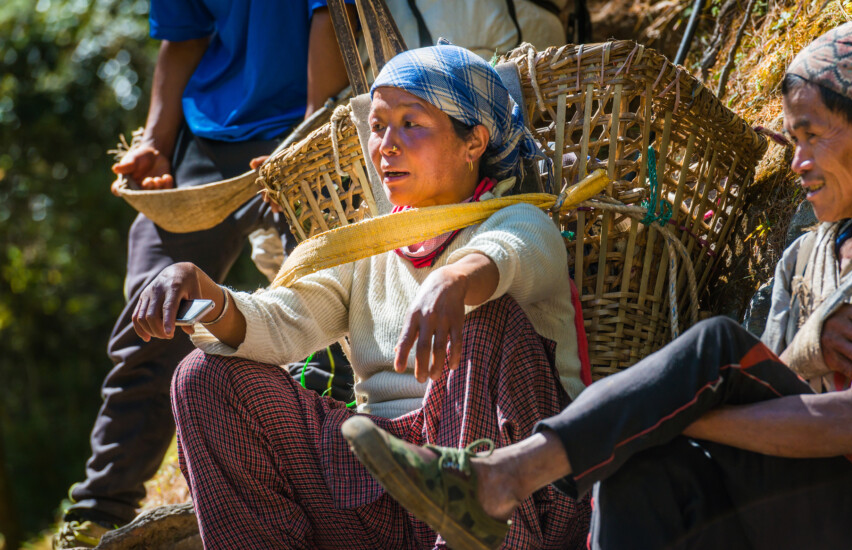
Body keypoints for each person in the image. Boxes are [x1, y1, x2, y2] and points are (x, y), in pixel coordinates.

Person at [342, 16, 852, 550]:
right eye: (790, 138)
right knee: (637, 471)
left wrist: (670, 414)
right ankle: (520, 473)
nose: (795, 162)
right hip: (812, 506)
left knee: (711, 347)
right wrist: (802, 349)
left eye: (811, 137)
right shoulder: (811, 254)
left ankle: (502, 477)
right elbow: (764, 375)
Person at [132, 44, 591, 548]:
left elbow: (506, 253)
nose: (386, 145)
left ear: (473, 141)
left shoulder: (521, 219)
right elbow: (284, 321)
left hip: (515, 493)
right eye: (377, 126)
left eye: (411, 123)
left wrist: (452, 281)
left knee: (487, 317)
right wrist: (209, 295)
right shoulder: (367, 247)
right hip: (381, 486)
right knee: (204, 376)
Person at [56, 2, 349, 547]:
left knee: (324, 293)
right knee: (150, 316)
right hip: (209, 139)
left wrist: (312, 135)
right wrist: (155, 143)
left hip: (309, 125)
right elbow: (183, 35)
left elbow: (329, 15)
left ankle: (338, 477)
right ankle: (99, 509)